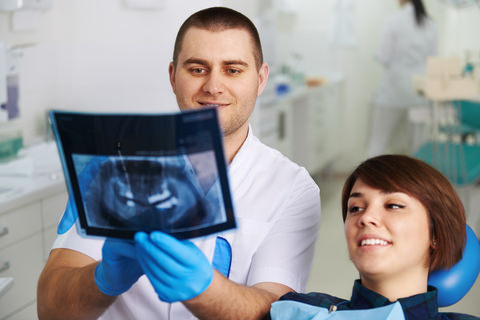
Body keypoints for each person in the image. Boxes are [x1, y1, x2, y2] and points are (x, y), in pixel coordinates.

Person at [37, 6, 321, 320]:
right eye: (197, 69)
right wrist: (105, 278)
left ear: (261, 78)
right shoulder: (115, 168)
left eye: (233, 69)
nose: (213, 86)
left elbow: (276, 311)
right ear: (173, 76)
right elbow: (51, 309)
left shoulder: (292, 188)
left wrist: (204, 289)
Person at [267, 154, 480, 320]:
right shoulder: (295, 311)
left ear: (436, 235)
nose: (366, 217)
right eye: (355, 208)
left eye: (393, 205)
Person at [366, 0, 437, 157]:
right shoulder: (430, 24)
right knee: (417, 147)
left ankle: (366, 180)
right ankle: (416, 182)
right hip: (419, 92)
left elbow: (384, 57)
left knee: (378, 141)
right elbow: (433, 59)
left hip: (393, 91)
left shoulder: (394, 20)